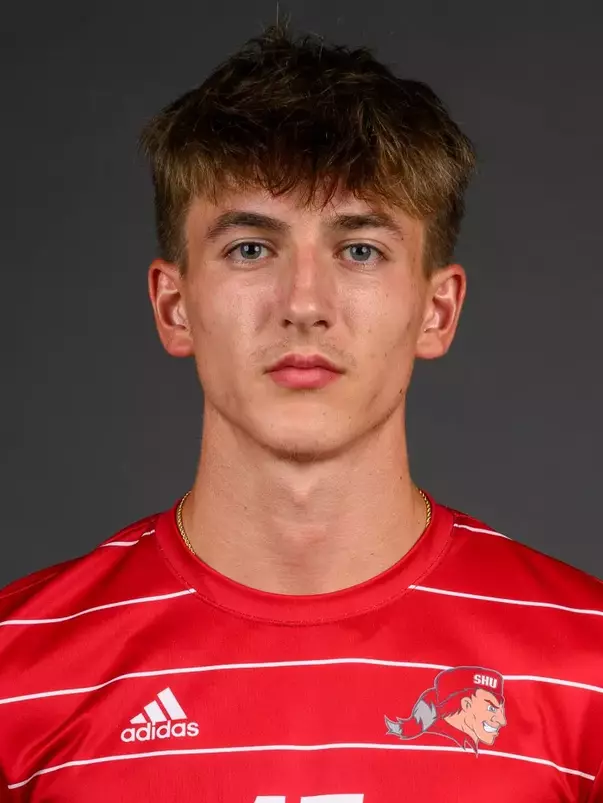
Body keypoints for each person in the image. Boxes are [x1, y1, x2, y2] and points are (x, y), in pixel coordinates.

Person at [0, 23, 601, 803]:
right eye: (251, 248)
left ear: (436, 309)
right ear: (174, 305)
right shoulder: (17, 672)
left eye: (360, 250)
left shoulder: (586, 667)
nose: (305, 305)